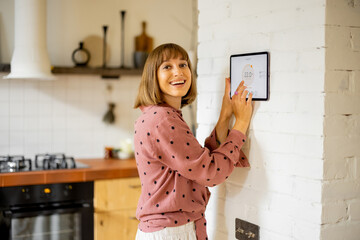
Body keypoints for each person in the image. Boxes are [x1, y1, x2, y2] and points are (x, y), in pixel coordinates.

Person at [133, 43, 253, 240]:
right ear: (152, 76)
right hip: (171, 233)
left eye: (183, 65)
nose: (178, 72)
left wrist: (225, 115)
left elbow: (194, 163)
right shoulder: (163, 120)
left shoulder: (159, 115)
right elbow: (210, 172)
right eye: (167, 67)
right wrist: (241, 123)